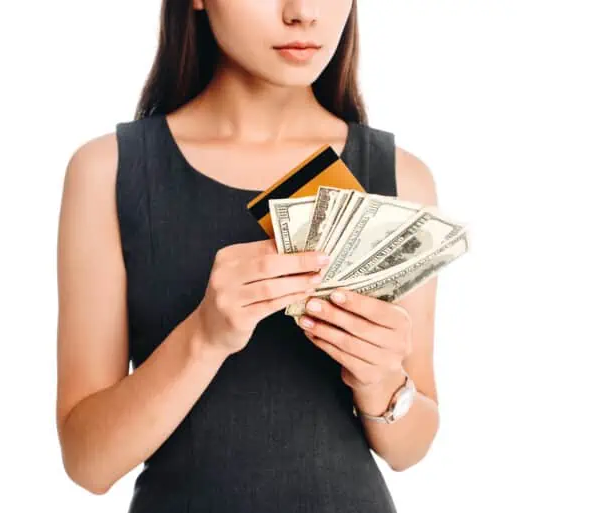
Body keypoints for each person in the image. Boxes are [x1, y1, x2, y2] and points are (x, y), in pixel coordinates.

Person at [55, 1, 441, 511]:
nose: (303, 12)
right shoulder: (109, 171)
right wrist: (204, 337)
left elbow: (410, 448)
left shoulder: (400, 177)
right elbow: (88, 463)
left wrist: (379, 378)